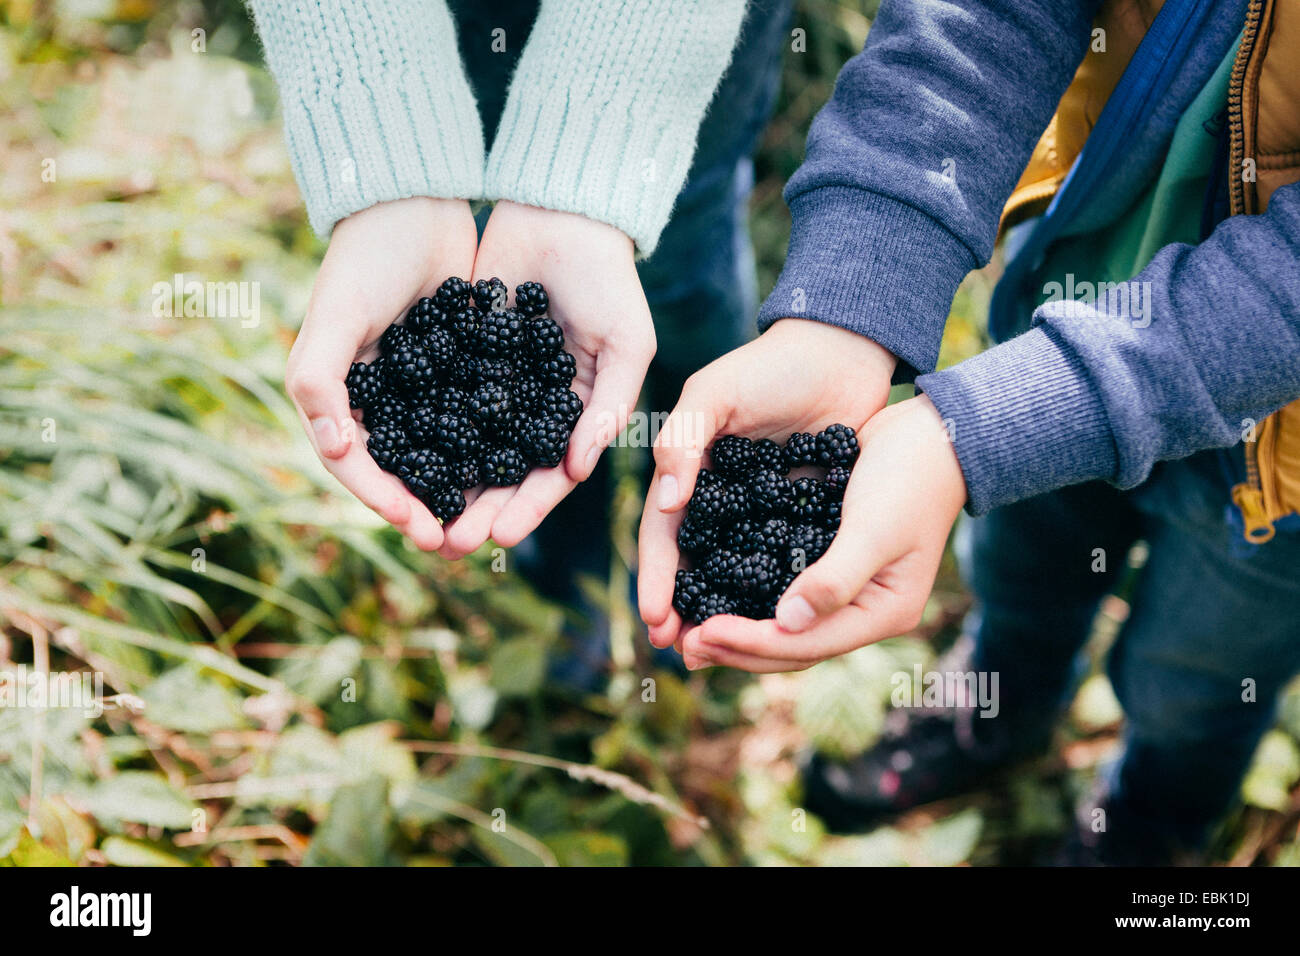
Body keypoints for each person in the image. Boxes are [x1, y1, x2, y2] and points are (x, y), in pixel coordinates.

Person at [637, 0, 1300, 864]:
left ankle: (1145, 830)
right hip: (1063, 305)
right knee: (1024, 575)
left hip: (1282, 476)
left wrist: (975, 432)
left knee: (1197, 682)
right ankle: (995, 716)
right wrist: (846, 312)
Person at [251, 0, 792, 685]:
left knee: (690, 261)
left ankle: (698, 564)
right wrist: (393, 169)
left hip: (686, 43)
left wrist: (599, 151)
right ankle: (571, 603)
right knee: (566, 421)